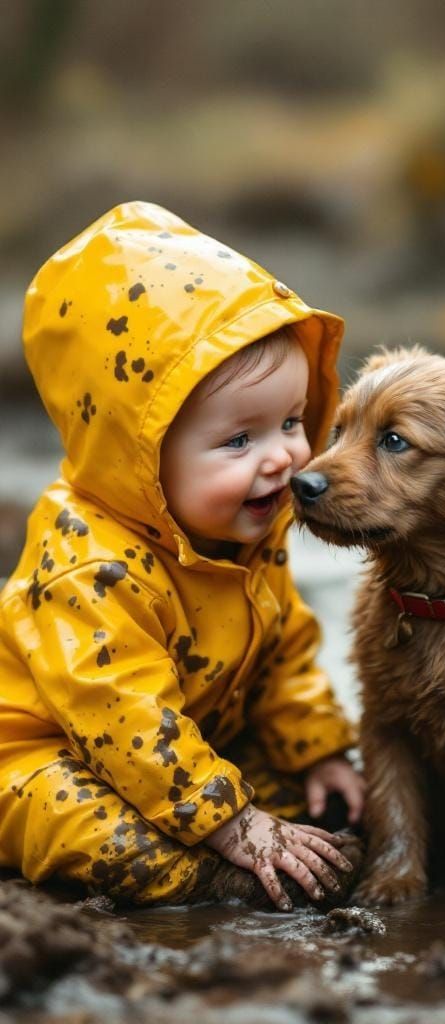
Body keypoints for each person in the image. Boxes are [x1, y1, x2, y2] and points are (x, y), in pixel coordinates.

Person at [0, 201, 364, 910]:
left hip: (190, 747)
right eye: (239, 441)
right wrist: (231, 825)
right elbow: (126, 715)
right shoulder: (90, 566)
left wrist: (318, 750)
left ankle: (269, 831)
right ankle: (209, 881)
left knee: (306, 802)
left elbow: (285, 650)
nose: (284, 457)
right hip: (45, 758)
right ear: (136, 457)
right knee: (93, 826)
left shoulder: (244, 529)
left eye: (292, 422)